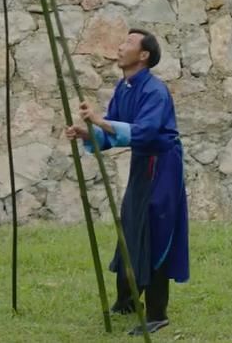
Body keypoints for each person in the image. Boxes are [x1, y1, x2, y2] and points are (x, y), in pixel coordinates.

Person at [65, 28, 189, 336]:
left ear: (143, 55)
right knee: (132, 225)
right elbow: (114, 133)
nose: (120, 47)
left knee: (157, 230)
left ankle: (157, 313)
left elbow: (144, 132)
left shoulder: (156, 91)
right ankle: (127, 300)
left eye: (128, 43)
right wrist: (89, 133)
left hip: (163, 166)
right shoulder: (125, 87)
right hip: (142, 164)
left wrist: (99, 121)